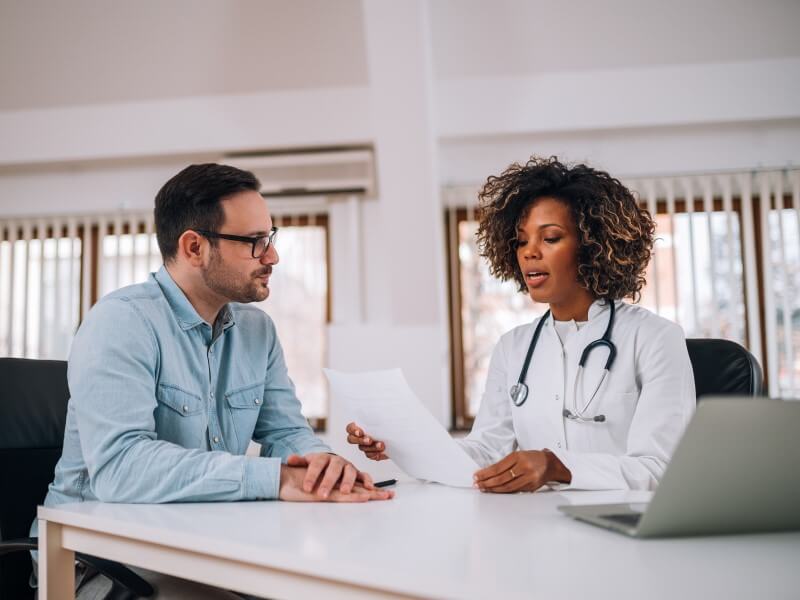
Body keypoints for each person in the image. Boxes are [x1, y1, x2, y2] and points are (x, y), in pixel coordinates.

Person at [32, 163, 391, 598]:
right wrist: (275, 478)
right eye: (255, 242)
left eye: (270, 239)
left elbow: (286, 432)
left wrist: (323, 467)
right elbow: (120, 469)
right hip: (97, 563)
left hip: (199, 542)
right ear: (194, 247)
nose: (272, 256)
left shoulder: (257, 331)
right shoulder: (121, 323)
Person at [347, 156, 696, 493]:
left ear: (593, 246)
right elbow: (485, 452)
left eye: (551, 237)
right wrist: (404, 445)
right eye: (521, 240)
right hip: (536, 530)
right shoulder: (513, 348)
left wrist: (556, 466)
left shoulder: (653, 338)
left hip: (622, 535)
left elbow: (659, 468)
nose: (529, 252)